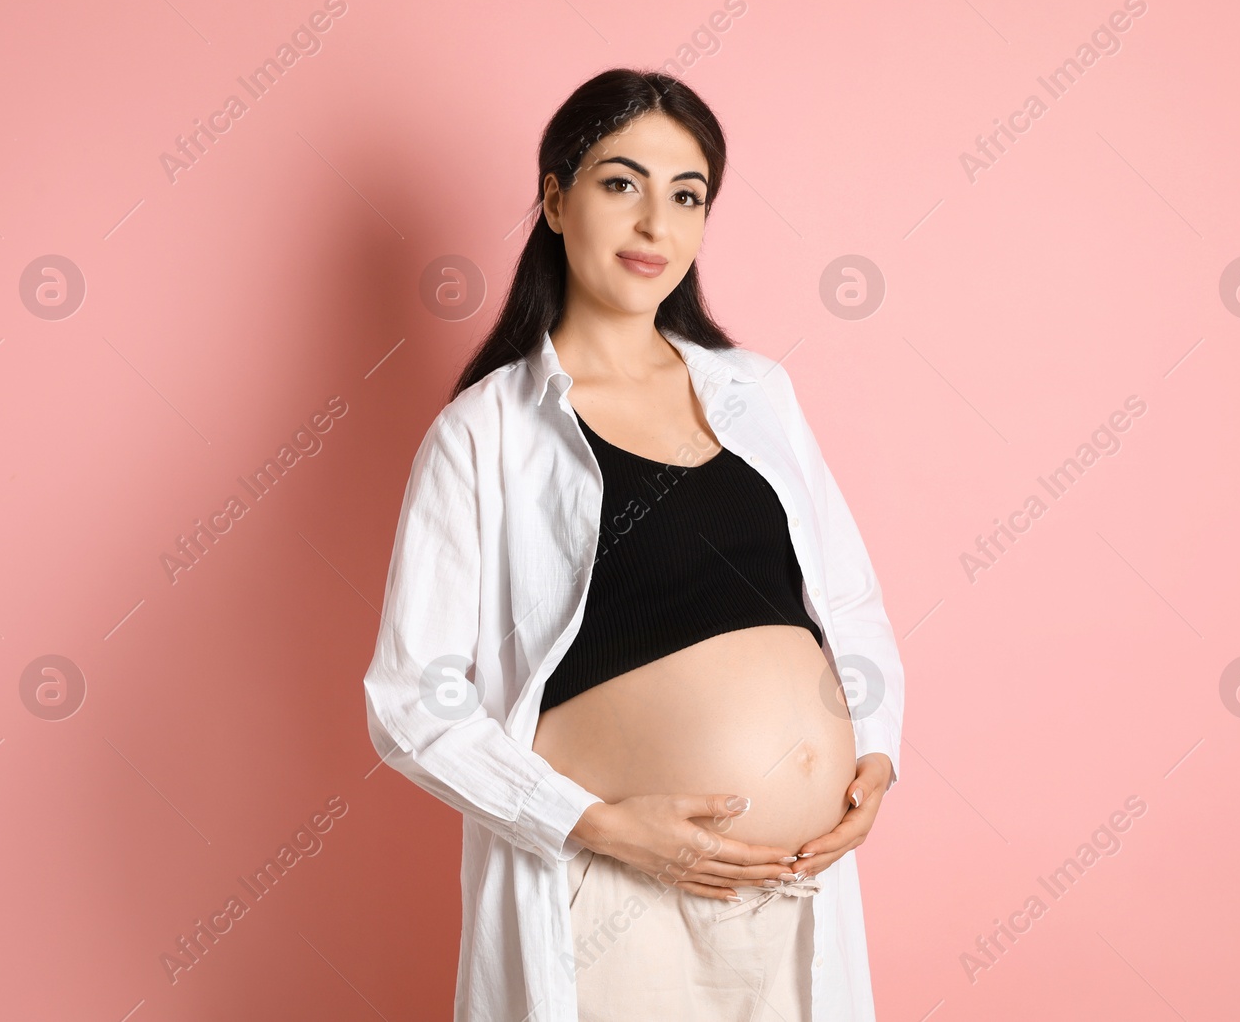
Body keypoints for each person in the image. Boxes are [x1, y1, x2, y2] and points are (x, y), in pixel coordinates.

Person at [363, 68, 906, 1022]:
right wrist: (597, 825)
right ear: (555, 197)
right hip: (615, 904)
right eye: (622, 183)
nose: (656, 222)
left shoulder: (757, 392)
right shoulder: (486, 434)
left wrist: (877, 754)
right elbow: (412, 702)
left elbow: (850, 604)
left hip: (797, 896)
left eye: (687, 195)